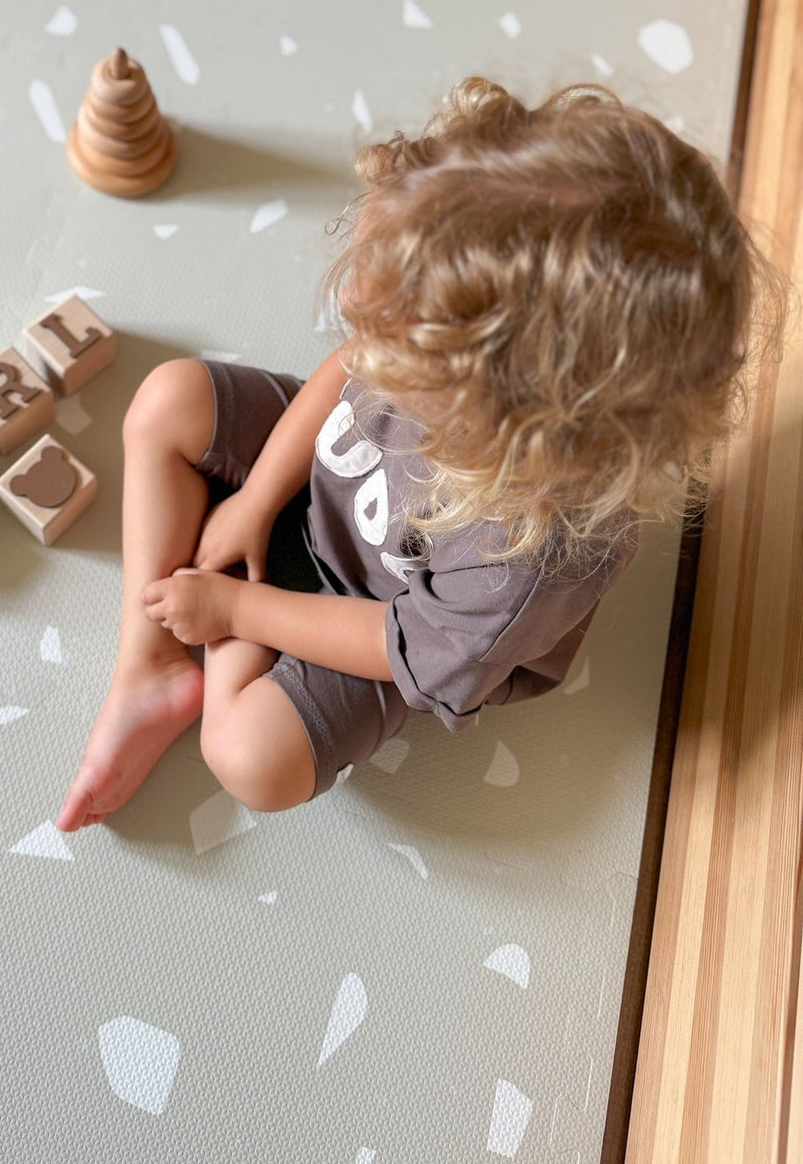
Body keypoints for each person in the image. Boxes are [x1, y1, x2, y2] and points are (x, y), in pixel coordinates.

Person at [56, 77, 789, 833]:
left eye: (393, 337)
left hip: (375, 615)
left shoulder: (533, 557)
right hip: (322, 484)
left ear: (512, 418)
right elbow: (350, 361)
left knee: (252, 759)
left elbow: (405, 641)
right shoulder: (442, 333)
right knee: (169, 398)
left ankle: (210, 629)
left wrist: (236, 609)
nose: (350, 309)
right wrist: (254, 500)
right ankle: (149, 669)